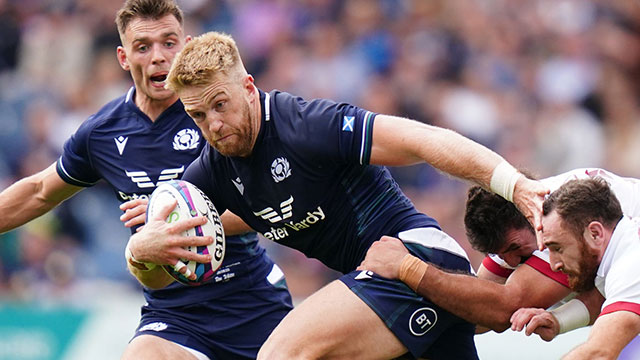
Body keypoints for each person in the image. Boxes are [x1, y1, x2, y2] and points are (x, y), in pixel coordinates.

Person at [145, 30, 548, 359]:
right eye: (198, 115)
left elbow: (423, 140)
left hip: (413, 256)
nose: (213, 125)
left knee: (281, 355)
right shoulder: (212, 170)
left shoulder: (304, 126)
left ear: (248, 88)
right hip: (374, 284)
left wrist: (515, 184)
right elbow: (174, 255)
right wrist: (144, 248)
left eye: (220, 105)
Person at [0, 1, 293, 359]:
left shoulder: (217, 114)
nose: (158, 57)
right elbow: (40, 192)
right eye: (144, 46)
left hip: (250, 302)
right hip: (174, 314)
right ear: (124, 57)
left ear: (185, 46)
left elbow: (270, 204)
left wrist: (171, 220)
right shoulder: (102, 133)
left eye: (169, 43)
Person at [358, 168, 640, 334]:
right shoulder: (524, 227)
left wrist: (409, 268)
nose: (512, 262)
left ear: (532, 218)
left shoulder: (557, 223)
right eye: (500, 255)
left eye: (515, 249)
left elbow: (502, 308)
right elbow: (474, 312)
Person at [509, 178, 640, 359]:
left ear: (595, 233)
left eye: (558, 248)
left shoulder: (630, 265)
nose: (554, 265)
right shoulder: (624, 247)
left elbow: (598, 353)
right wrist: (558, 320)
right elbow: (605, 298)